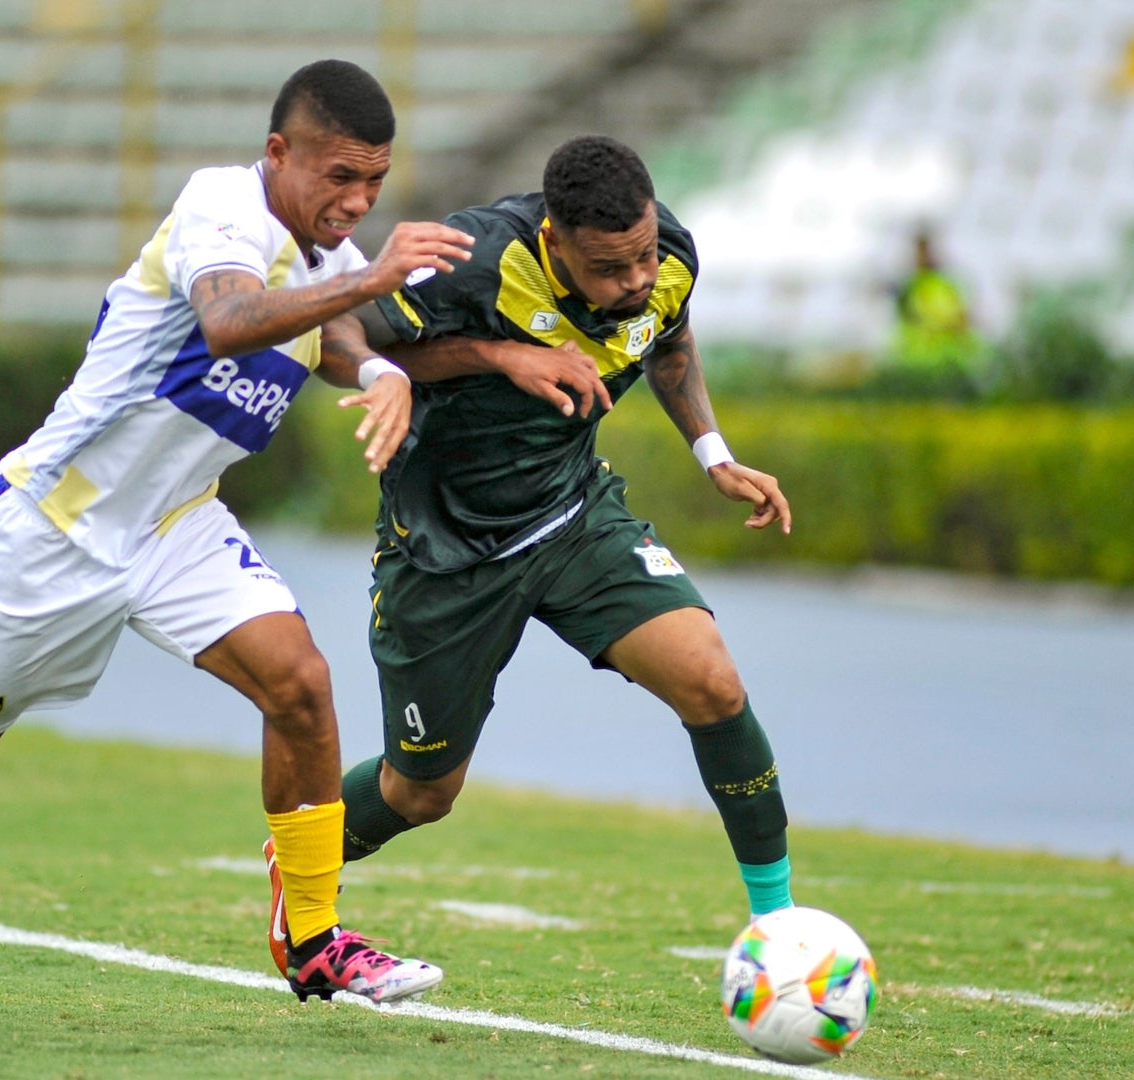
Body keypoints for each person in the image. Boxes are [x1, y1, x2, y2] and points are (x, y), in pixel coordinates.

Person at [0, 59, 482, 1021]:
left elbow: (330, 327)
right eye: (340, 177)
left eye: (374, 182)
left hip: (177, 524)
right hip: (56, 527)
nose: (358, 202)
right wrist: (373, 278)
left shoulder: (327, 251)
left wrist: (379, 370)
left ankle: (313, 942)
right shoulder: (222, 206)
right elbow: (231, 320)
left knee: (300, 684)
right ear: (278, 152)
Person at [263, 135, 798, 975]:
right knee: (420, 792)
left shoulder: (666, 258)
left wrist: (713, 454)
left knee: (713, 683)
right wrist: (498, 354)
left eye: (642, 255)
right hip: (446, 551)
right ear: (554, 241)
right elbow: (335, 336)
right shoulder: (472, 260)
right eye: (608, 268)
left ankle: (780, 930)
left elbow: (669, 340)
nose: (635, 280)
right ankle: (300, 860)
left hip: (574, 517)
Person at [890, 229, 983, 379]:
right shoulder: (907, 288)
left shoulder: (947, 284)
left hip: (948, 360)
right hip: (916, 362)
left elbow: (963, 318)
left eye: (926, 251)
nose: (924, 256)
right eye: (921, 251)